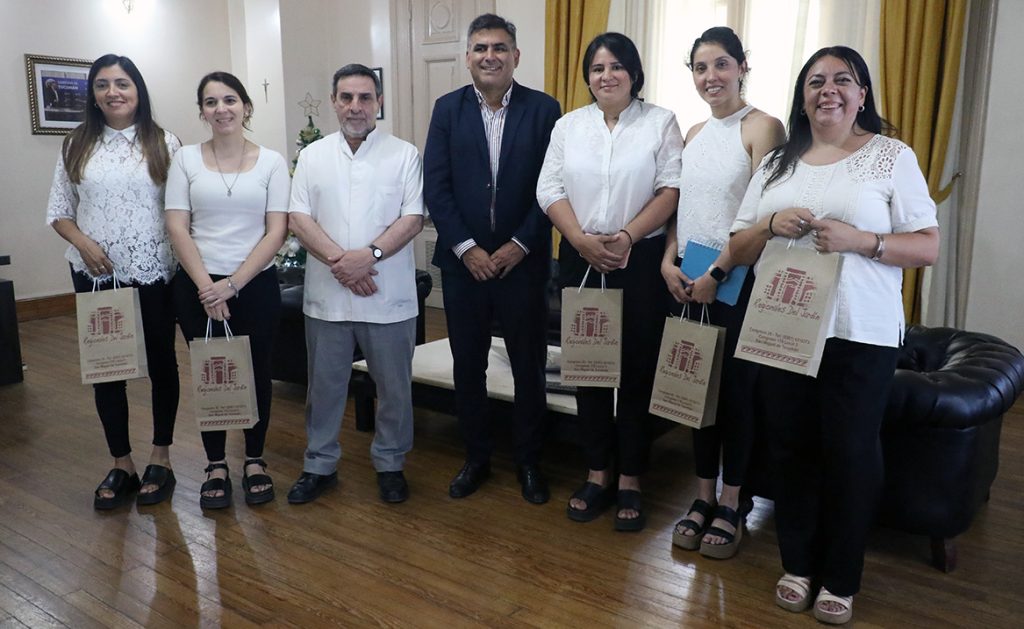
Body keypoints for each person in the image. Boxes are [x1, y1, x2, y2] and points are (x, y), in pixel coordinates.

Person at [728, 46, 939, 624]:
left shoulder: (891, 156)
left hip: (859, 331)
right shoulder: (778, 163)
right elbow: (737, 247)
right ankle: (797, 563)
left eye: (843, 80)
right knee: (790, 447)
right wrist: (769, 224)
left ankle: (842, 575)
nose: (829, 90)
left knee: (850, 452)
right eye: (816, 81)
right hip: (783, 327)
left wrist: (862, 241)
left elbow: (927, 246)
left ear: (862, 94)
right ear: (802, 98)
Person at [537, 32, 682, 531]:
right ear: (588, 76)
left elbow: (671, 188)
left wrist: (626, 237)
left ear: (634, 73)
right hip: (580, 257)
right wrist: (580, 240)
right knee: (589, 368)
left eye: (617, 66)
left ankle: (631, 477)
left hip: (638, 259)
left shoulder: (660, 122)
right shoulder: (568, 126)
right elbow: (548, 187)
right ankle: (597, 471)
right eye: (598, 68)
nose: (607, 75)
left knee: (637, 369)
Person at [423, 13, 561, 504]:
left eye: (499, 48)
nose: (490, 56)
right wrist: (467, 249)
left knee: (529, 366)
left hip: (523, 265)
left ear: (515, 56)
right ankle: (476, 457)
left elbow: (552, 188)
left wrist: (519, 244)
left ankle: (529, 460)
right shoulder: (447, 110)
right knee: (468, 366)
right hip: (464, 267)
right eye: (480, 48)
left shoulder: (544, 110)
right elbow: (436, 187)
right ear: (467, 57)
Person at [662, 27, 785, 559]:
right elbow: (683, 208)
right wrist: (668, 259)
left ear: (742, 67)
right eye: (700, 68)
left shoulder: (763, 126)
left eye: (720, 65)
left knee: (736, 396)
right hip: (689, 277)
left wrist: (718, 271)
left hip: (738, 278)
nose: (710, 77)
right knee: (696, 390)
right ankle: (702, 495)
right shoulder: (693, 132)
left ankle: (733, 502)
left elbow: (761, 218)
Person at [46, 54, 181, 510]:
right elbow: (59, 212)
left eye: (122, 83)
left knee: (161, 362)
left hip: (154, 270)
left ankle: (160, 457)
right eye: (102, 84)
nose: (112, 92)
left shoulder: (164, 142)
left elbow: (180, 209)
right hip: (95, 274)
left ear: (137, 90)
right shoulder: (76, 143)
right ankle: (122, 463)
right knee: (108, 370)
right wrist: (83, 243)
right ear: (93, 93)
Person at [286, 64, 424, 505]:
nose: (355, 106)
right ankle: (319, 464)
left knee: (394, 390)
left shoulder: (404, 154)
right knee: (324, 388)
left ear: (379, 102)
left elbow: (413, 218)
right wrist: (342, 263)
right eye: (346, 97)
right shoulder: (313, 156)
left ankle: (391, 463)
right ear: (334, 102)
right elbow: (298, 218)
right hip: (328, 296)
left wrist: (369, 257)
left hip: (387, 295)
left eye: (365, 97)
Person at [165, 71, 289, 509]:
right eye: (211, 102)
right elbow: (177, 226)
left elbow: (277, 231)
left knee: (257, 372)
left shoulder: (272, 162)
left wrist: (233, 285)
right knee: (211, 373)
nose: (222, 109)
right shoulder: (185, 160)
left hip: (254, 284)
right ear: (202, 111)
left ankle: (254, 460)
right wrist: (208, 288)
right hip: (198, 286)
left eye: (230, 100)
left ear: (246, 107)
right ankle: (215, 464)